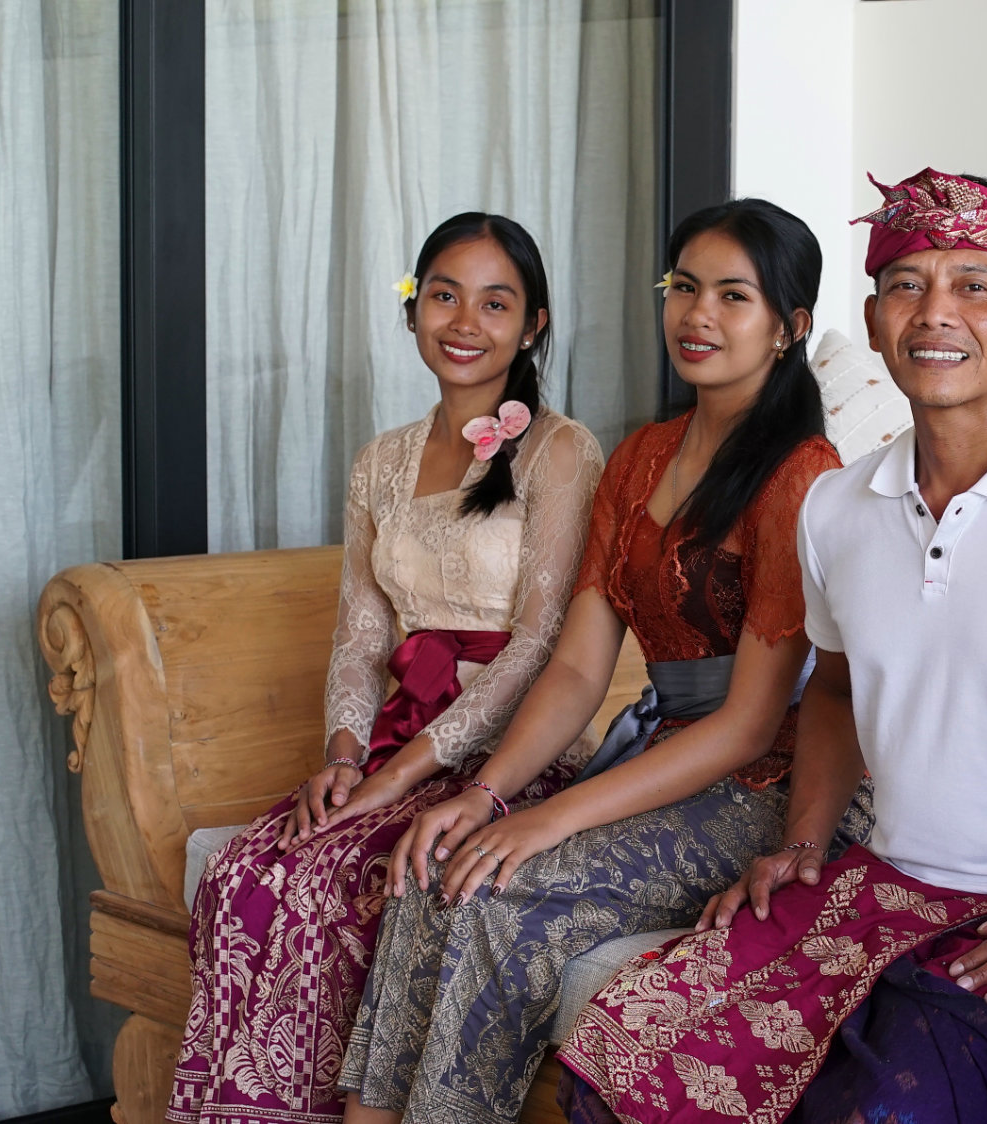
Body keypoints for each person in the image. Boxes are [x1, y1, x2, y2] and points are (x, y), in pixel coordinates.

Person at [558, 168, 987, 1124]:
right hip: (877, 885)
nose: (936, 312)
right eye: (906, 285)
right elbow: (835, 689)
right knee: (618, 1056)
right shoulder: (835, 506)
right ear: (873, 312)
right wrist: (803, 842)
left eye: (976, 284)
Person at [335, 197, 859, 1124]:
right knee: (439, 864)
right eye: (684, 287)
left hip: (758, 785)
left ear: (791, 327)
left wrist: (549, 823)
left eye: (734, 296)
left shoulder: (803, 475)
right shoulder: (641, 457)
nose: (699, 315)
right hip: (658, 753)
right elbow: (577, 669)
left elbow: (746, 723)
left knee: (495, 892)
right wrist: (487, 797)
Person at [170, 212, 605, 1124]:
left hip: (508, 754)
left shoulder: (561, 451)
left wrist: (399, 776)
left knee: (340, 882)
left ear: (533, 324)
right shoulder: (381, 461)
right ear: (412, 309)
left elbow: (537, 644)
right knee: (249, 871)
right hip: (396, 739)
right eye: (443, 295)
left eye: (496, 303)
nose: (464, 322)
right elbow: (362, 635)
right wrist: (341, 756)